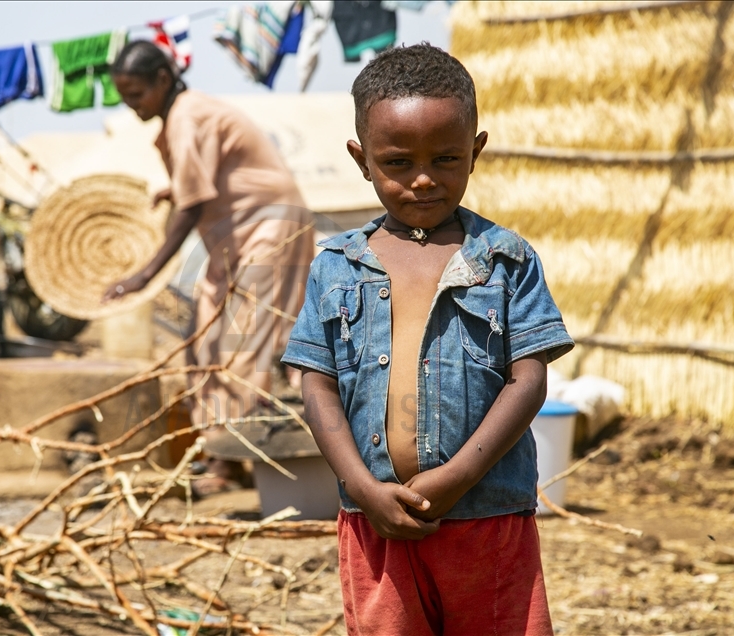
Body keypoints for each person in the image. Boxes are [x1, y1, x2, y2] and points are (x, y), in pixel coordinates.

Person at [281, 43, 574, 635]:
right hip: (375, 524)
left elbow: (529, 379)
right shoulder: (335, 265)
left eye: (445, 158)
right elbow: (316, 385)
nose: (422, 179)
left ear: (477, 151)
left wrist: (456, 477)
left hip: (487, 519)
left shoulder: (504, 260)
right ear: (361, 159)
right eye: (396, 162)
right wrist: (364, 489)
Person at [102, 41, 315, 495]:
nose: (132, 106)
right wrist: (170, 193)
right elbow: (198, 184)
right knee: (202, 339)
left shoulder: (188, 116)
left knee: (240, 340)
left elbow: (194, 200)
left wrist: (145, 273)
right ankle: (218, 447)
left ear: (163, 80)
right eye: (125, 98)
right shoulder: (179, 117)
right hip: (232, 240)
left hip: (270, 228)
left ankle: (224, 460)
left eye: (136, 94)